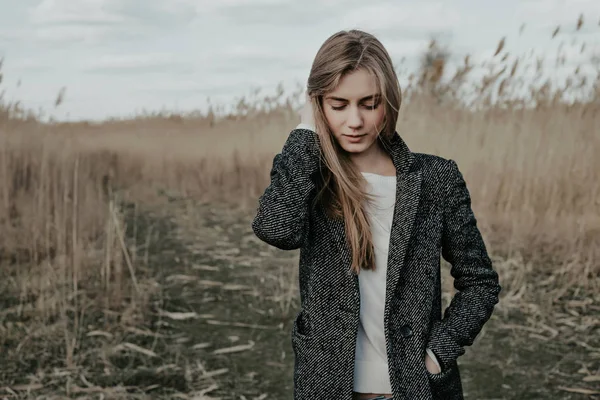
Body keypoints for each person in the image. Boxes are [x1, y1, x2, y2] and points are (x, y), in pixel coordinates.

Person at [251, 29, 501, 400]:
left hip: (416, 387)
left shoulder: (436, 179)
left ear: (389, 102)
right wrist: (306, 130)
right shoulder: (310, 177)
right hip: (328, 386)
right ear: (317, 103)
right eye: (338, 105)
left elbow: (480, 282)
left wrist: (437, 354)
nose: (354, 121)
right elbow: (276, 229)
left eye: (369, 104)